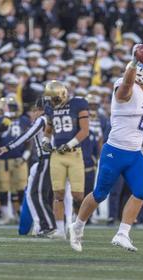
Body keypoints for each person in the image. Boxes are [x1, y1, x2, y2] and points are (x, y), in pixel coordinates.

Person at [68, 45, 143, 252]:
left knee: (142, 191)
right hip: (115, 150)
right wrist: (133, 65)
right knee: (100, 194)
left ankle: (122, 234)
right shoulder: (125, 84)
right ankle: (77, 225)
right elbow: (124, 93)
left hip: (135, 152)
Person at [0, 97, 57, 236]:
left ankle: (48, 226)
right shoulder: (54, 119)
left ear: (40, 109)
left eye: (35, 109)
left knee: (37, 194)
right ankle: (47, 226)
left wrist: (7, 147)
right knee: (43, 194)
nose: (32, 113)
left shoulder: (42, 120)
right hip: (54, 159)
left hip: (46, 159)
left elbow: (26, 136)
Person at [42, 80, 89, 239]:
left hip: (74, 153)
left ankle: (78, 226)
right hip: (57, 155)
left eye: (53, 98)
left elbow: (85, 131)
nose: (51, 101)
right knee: (58, 194)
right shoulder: (50, 109)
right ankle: (61, 231)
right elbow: (48, 130)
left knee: (78, 196)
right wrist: (45, 142)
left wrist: (69, 144)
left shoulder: (77, 104)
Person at [0, 97, 31, 224]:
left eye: (13, 107)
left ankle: (20, 213)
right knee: (3, 187)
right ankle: (5, 214)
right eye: (9, 107)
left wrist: (25, 156)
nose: (12, 110)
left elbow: (29, 140)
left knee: (21, 187)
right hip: (3, 159)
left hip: (19, 158)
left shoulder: (24, 120)